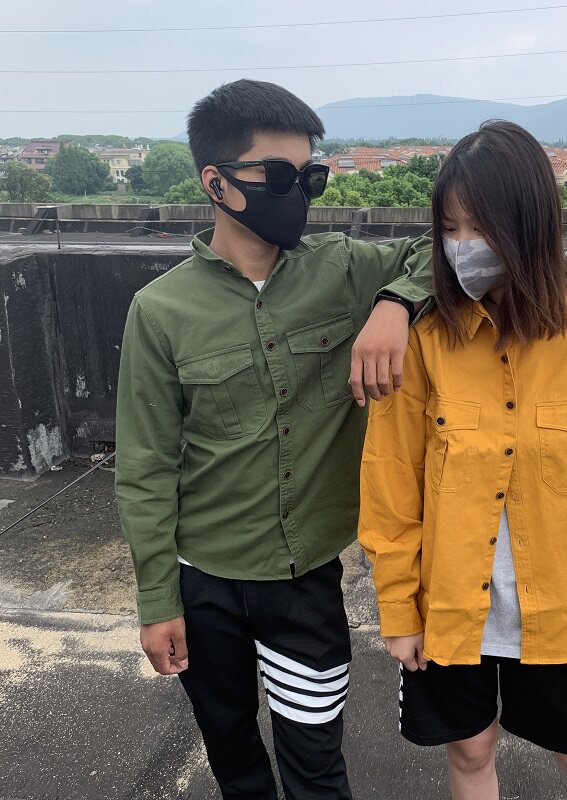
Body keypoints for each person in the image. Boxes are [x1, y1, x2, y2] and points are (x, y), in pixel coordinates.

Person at [115, 79, 432, 800]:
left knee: (315, 764)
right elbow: (145, 465)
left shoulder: (343, 269)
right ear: (216, 183)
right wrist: (157, 600)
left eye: (309, 178)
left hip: (304, 579)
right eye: (279, 177)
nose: (298, 193)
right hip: (204, 580)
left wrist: (395, 303)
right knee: (234, 757)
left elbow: (442, 251)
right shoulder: (160, 311)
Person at [358, 120, 567, 800]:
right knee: (470, 753)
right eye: (450, 228)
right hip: (449, 607)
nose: (463, 245)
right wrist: (399, 609)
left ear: (529, 226)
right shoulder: (426, 341)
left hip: (564, 607)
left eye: (480, 227)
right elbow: (391, 484)